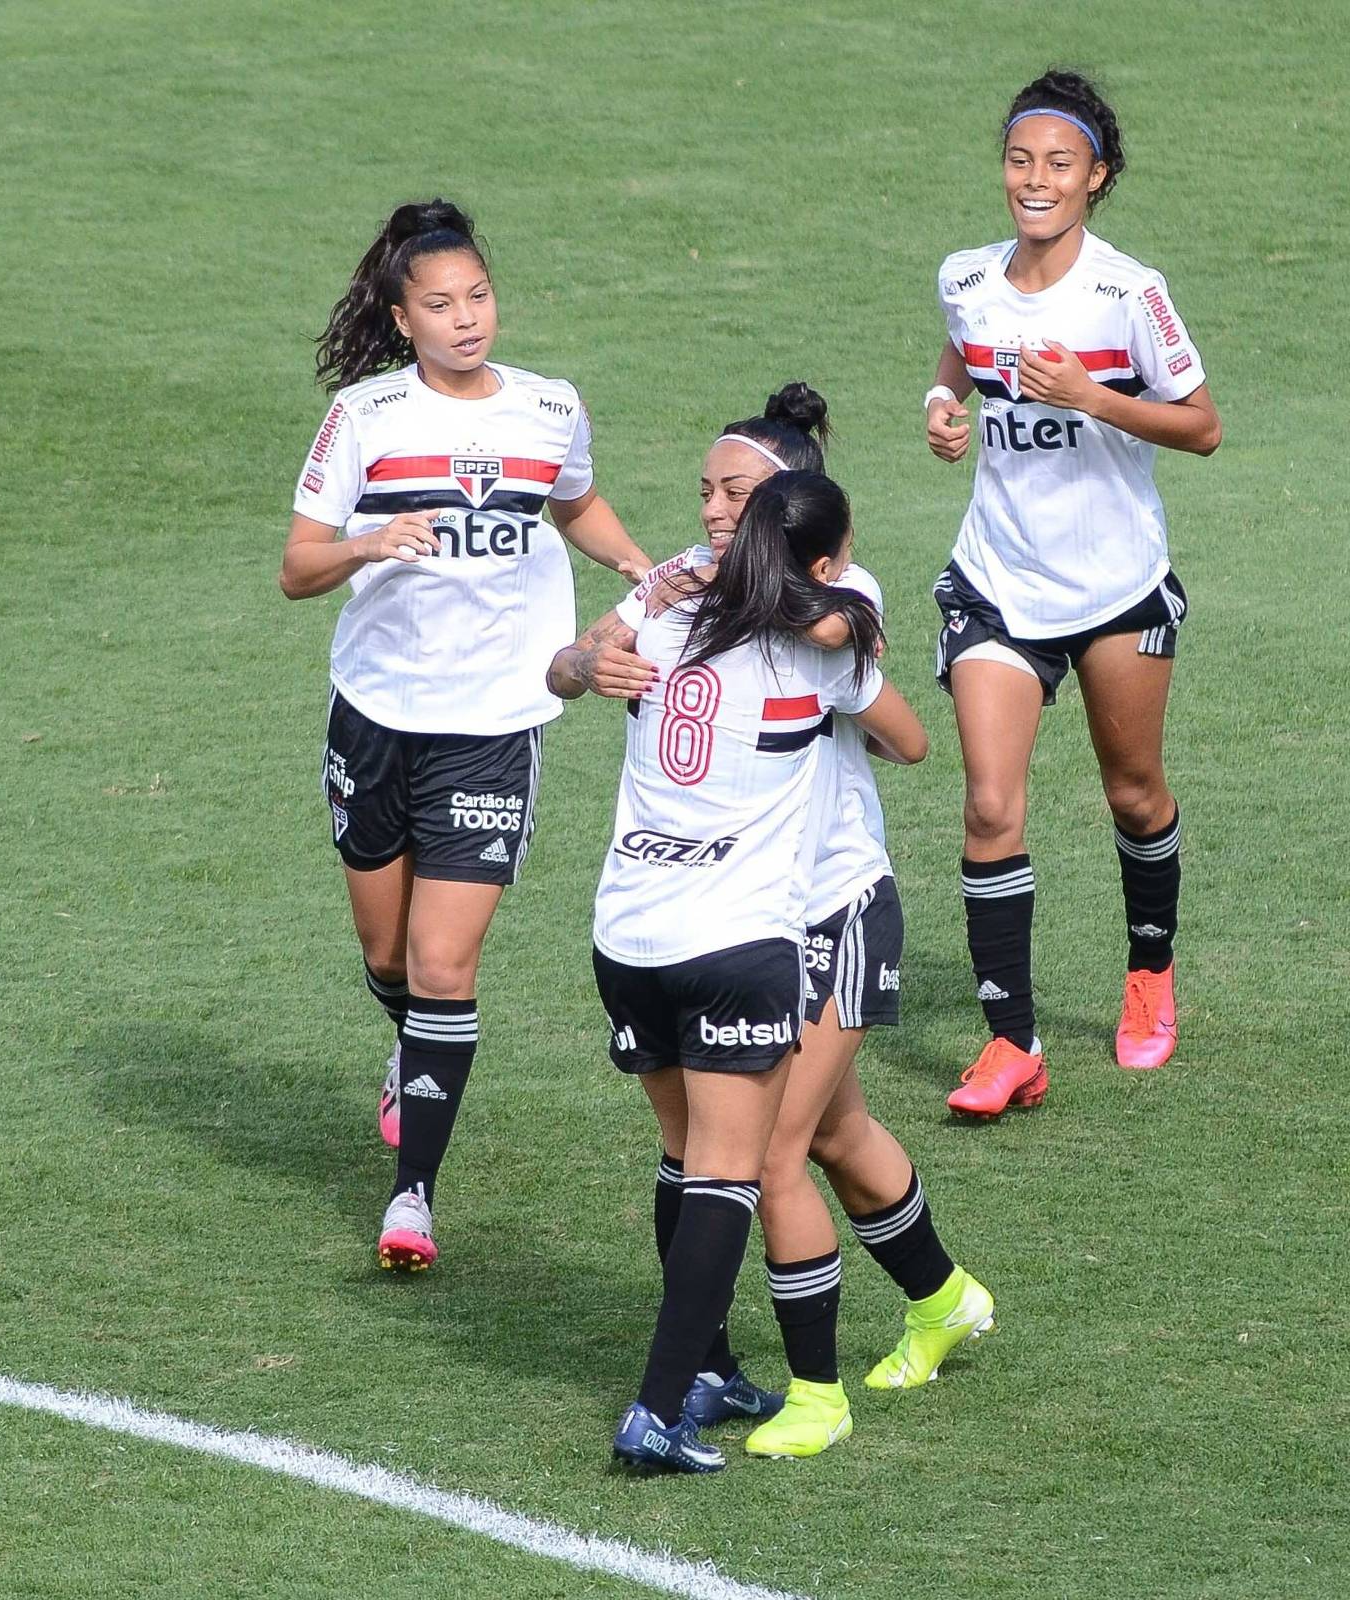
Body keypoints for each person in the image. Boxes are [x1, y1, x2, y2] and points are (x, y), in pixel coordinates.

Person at [554, 391, 995, 1461]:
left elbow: (865, 665)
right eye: (705, 492)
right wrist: (592, 663)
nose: (713, 513)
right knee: (834, 1133)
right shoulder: (683, 587)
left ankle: (815, 1391)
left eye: (736, 495)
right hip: (742, 914)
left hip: (831, 903)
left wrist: (753, 599)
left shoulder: (835, 585)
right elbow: (569, 666)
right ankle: (941, 1298)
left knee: (771, 1155)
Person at [280, 198, 649, 1271]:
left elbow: (571, 503)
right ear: (402, 320)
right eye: (440, 304)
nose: (466, 317)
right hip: (379, 713)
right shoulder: (365, 418)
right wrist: (368, 544)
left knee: (444, 964)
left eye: (478, 295)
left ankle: (412, 1199)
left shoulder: (548, 407)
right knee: (387, 953)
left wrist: (629, 563)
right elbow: (297, 568)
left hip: (496, 720)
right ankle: (409, 1049)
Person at [922, 70, 1223, 1117]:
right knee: (991, 801)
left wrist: (1095, 397)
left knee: (1133, 790)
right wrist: (942, 405)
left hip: (1115, 589)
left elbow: (1203, 424)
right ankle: (1014, 1044)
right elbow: (962, 361)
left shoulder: (1126, 294)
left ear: (1095, 178)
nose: (1035, 181)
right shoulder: (966, 278)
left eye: (1059, 164)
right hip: (999, 582)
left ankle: (1150, 972)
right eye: (1020, 160)